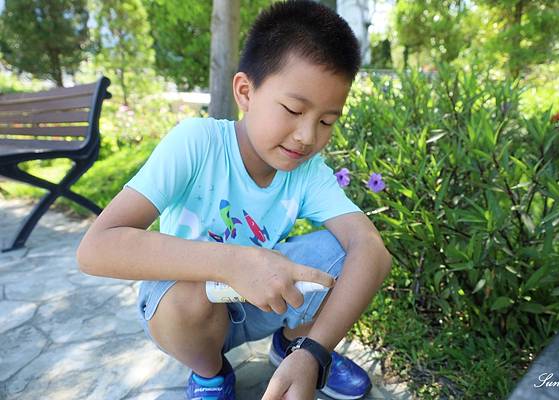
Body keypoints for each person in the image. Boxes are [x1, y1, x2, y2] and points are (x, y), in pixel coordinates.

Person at [76, 1, 392, 399]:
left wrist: (316, 351)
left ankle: (294, 345)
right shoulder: (198, 142)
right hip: (190, 313)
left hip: (262, 303)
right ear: (246, 91)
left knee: (344, 252)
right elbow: (94, 249)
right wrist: (235, 262)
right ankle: (210, 373)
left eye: (327, 121)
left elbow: (372, 251)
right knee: (186, 297)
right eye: (294, 109)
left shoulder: (308, 171)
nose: (307, 136)